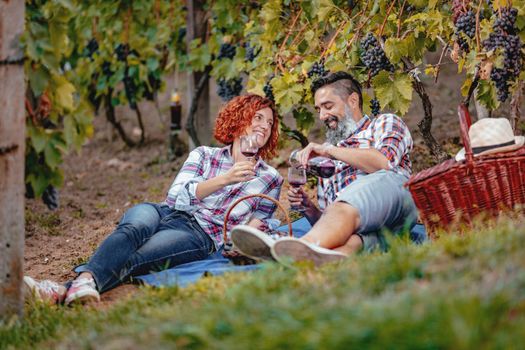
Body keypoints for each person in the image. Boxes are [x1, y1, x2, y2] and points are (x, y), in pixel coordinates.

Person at [24, 94, 283, 305]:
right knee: (132, 229)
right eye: (258, 117)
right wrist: (225, 178)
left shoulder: (270, 178)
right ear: (239, 120)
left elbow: (256, 225)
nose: (264, 125)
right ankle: (80, 285)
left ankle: (63, 289)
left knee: (137, 257)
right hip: (163, 211)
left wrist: (241, 241)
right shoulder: (204, 155)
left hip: (200, 234)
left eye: (269, 123)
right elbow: (176, 197)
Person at [231, 71, 418, 266]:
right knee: (351, 243)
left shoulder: (384, 123)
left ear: (352, 101)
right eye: (319, 109)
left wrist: (330, 150)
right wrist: (309, 209)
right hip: (378, 231)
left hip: (397, 203)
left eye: (328, 106)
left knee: (355, 200)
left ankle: (295, 249)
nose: (322, 115)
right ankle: (314, 263)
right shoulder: (329, 161)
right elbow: (332, 219)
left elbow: (383, 163)